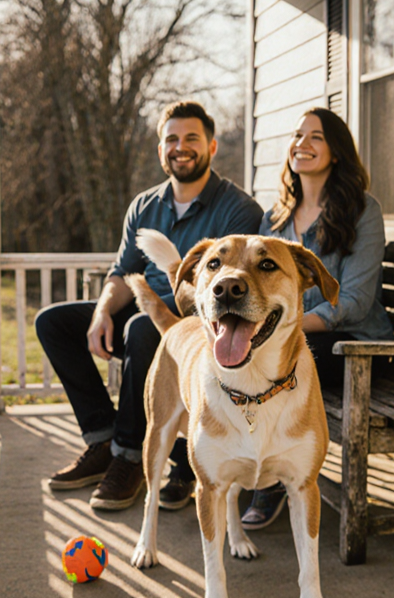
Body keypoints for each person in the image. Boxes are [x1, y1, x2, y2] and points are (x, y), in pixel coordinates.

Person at [35, 101, 264, 511]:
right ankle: (103, 440)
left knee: (142, 327)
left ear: (211, 146)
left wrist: (170, 306)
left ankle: (128, 459)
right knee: (53, 322)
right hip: (143, 311)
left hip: (201, 325)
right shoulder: (145, 205)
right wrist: (103, 310)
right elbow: (123, 272)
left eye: (191, 138)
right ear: (161, 150)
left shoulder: (237, 208)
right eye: (171, 139)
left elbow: (234, 290)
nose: (181, 147)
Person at [240, 106, 394, 530]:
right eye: (297, 135)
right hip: (297, 341)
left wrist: (282, 328)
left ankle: (271, 481)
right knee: (238, 360)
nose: (301, 144)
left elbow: (357, 300)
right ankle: (231, 466)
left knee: (267, 359)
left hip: (359, 347)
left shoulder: (363, 212)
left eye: (316, 137)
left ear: (338, 152)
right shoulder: (274, 220)